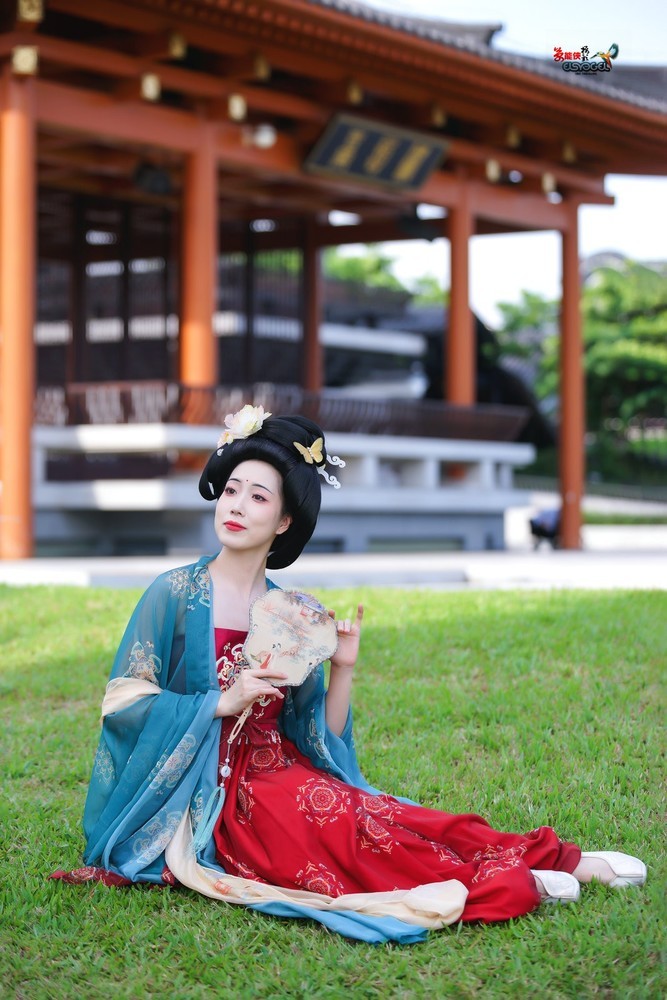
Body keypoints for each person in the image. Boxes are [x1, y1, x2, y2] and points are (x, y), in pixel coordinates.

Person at [51, 406, 647, 945]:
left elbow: (321, 738)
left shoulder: (290, 613)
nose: (236, 506)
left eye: (258, 497)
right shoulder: (175, 592)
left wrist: (343, 668)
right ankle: (506, 881)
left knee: (387, 814)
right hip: (211, 793)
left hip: (284, 772)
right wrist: (218, 703)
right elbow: (124, 700)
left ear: (284, 521)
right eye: (231, 490)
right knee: (336, 830)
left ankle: (559, 860)